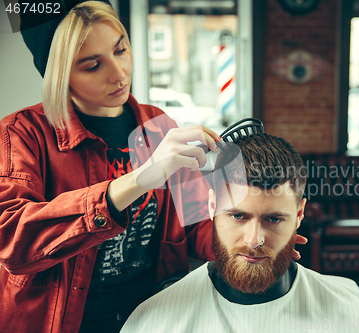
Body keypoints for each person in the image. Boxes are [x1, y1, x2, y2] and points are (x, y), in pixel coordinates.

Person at [0, 2, 306, 332]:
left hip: (150, 318)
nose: (118, 73)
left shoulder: (158, 126)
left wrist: (247, 237)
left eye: (121, 50)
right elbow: (13, 242)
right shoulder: (21, 135)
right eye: (92, 66)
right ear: (60, 74)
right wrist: (140, 179)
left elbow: (193, 225)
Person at [121, 134, 359, 333]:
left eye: (274, 219)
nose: (254, 239)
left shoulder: (349, 312)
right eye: (237, 216)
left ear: (299, 215)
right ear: (212, 207)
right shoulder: (154, 322)